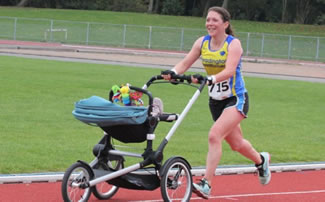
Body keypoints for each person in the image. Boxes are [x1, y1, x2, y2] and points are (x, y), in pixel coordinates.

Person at [161, 6, 271, 199]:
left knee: (214, 135)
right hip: (216, 101)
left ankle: (206, 184)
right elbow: (185, 63)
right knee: (236, 144)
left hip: (236, 99)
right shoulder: (202, 43)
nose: (210, 23)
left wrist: (209, 79)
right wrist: (172, 73)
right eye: (208, 20)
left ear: (225, 24)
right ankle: (261, 161)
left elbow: (229, 71)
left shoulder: (233, 44)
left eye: (214, 20)